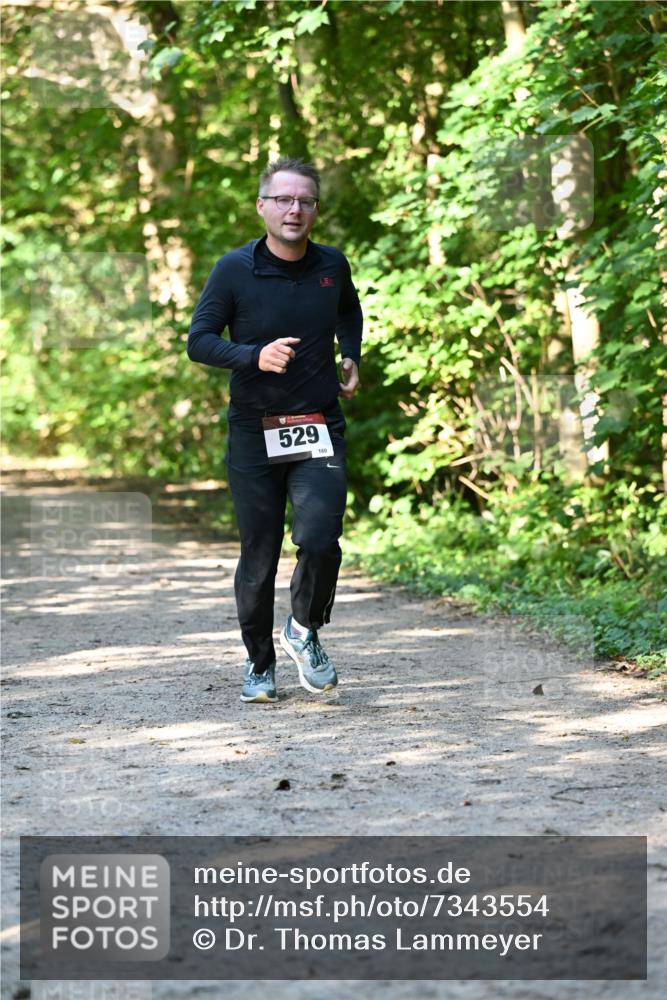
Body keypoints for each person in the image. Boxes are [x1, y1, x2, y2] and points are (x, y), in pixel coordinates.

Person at [187, 156, 363, 704]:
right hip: (254, 429)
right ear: (262, 206)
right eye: (284, 199)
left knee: (321, 538)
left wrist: (351, 354)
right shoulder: (234, 269)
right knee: (259, 554)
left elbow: (349, 311)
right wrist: (253, 356)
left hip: (317, 425)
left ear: (315, 210)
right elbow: (199, 341)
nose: (295, 209)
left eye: (305, 201)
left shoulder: (332, 264)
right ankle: (259, 663)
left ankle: (303, 629)